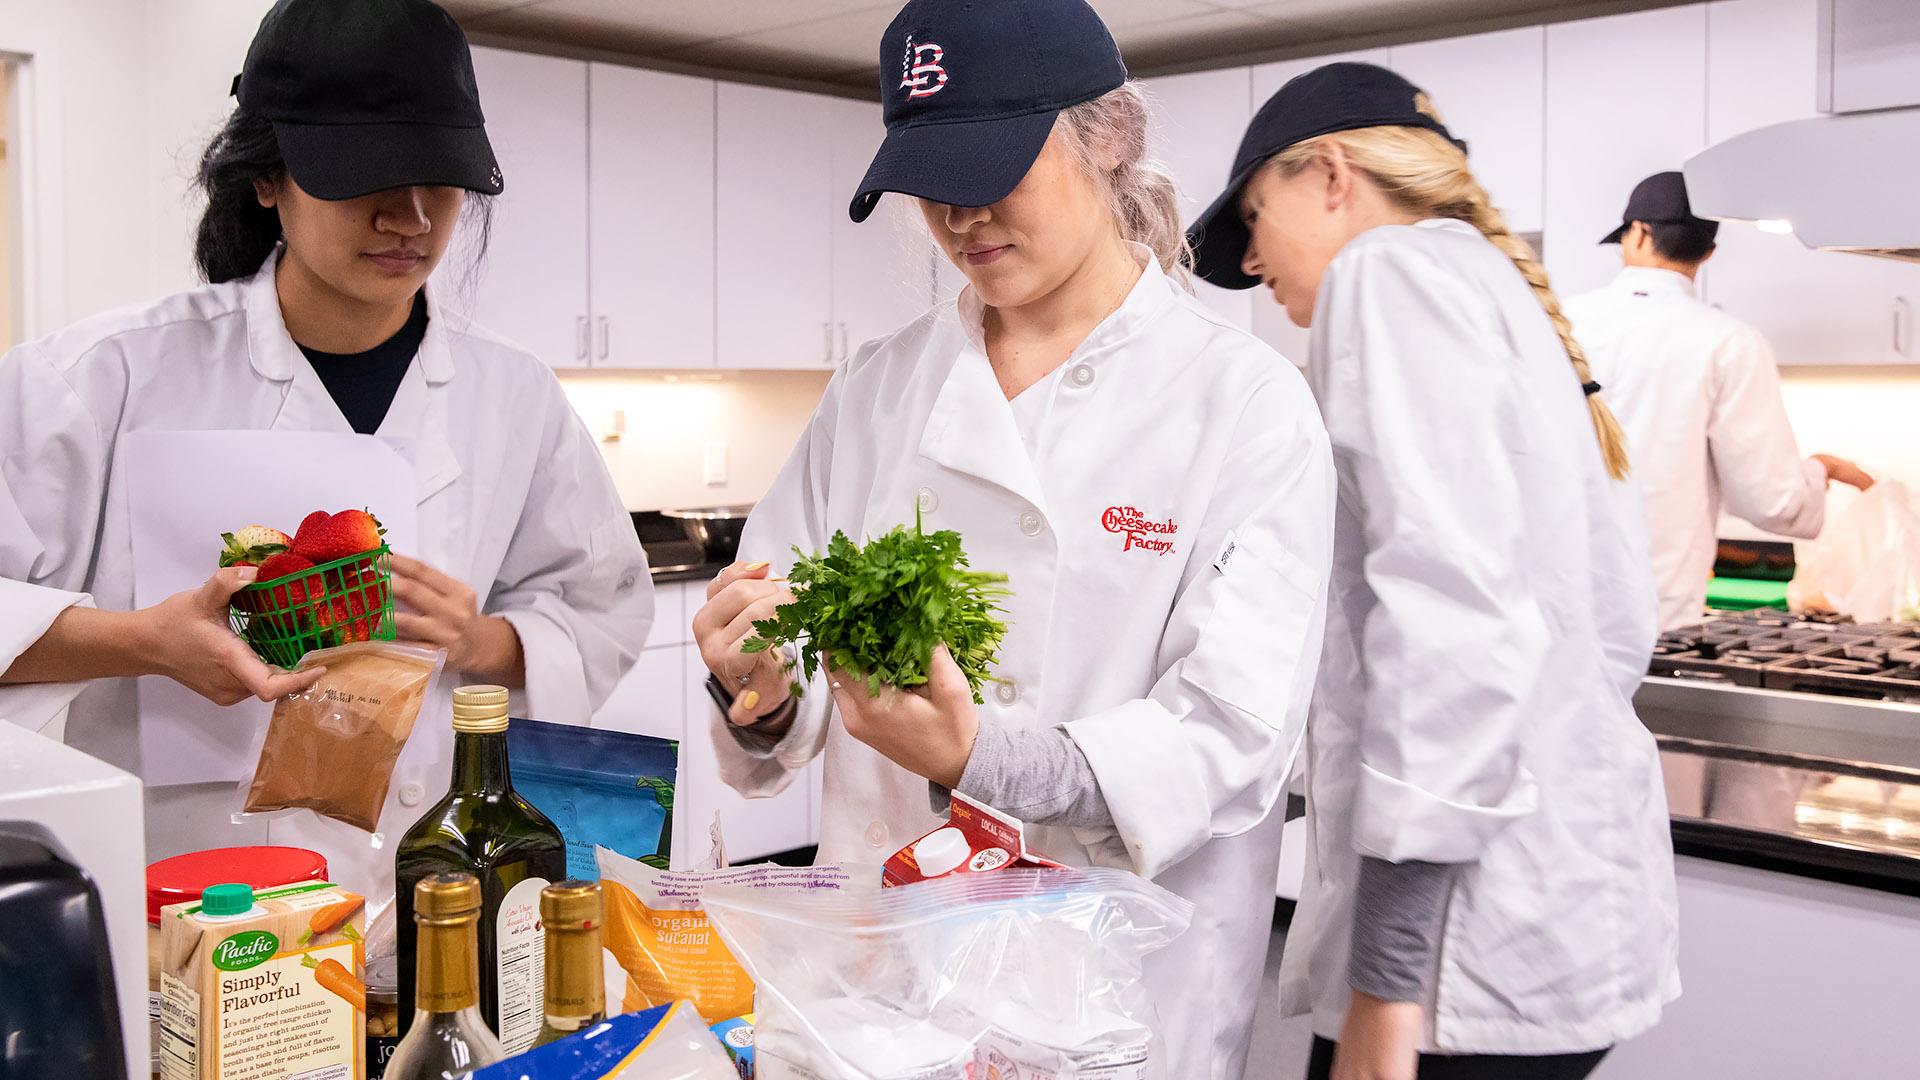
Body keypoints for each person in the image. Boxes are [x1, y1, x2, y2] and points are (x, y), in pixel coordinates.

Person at [691, 0, 1334, 1074]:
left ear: (1110, 137)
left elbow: (1227, 738)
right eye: (931, 182)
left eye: (995, 167)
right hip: (880, 992)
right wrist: (753, 687)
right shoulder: (877, 389)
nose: (958, 216)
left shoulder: (1243, 403)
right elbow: (786, 681)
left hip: (1111, 1001)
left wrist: (984, 759)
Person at [0, 0, 649, 896]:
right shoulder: (101, 378)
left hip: (437, 898)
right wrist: (146, 642)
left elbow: (601, 607)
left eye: (442, 180)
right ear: (267, 179)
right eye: (368, 176)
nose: (412, 217)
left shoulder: (515, 394)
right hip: (194, 904)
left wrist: (486, 638)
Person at [1186, 63, 1677, 1080]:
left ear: (1329, 174)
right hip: (1562, 925)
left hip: (1460, 962)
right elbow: (1622, 625)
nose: (1253, 261)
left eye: (1254, 215)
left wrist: (1386, 981)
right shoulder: (1503, 296)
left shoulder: (1391, 277)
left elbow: (1450, 630)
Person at [1565, 171, 1874, 631]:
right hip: (1654, 610)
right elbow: (1770, 499)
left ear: (1638, 233)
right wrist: (1820, 471)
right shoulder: (1729, 342)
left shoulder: (1562, 320)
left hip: (1550, 599)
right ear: (1709, 252)